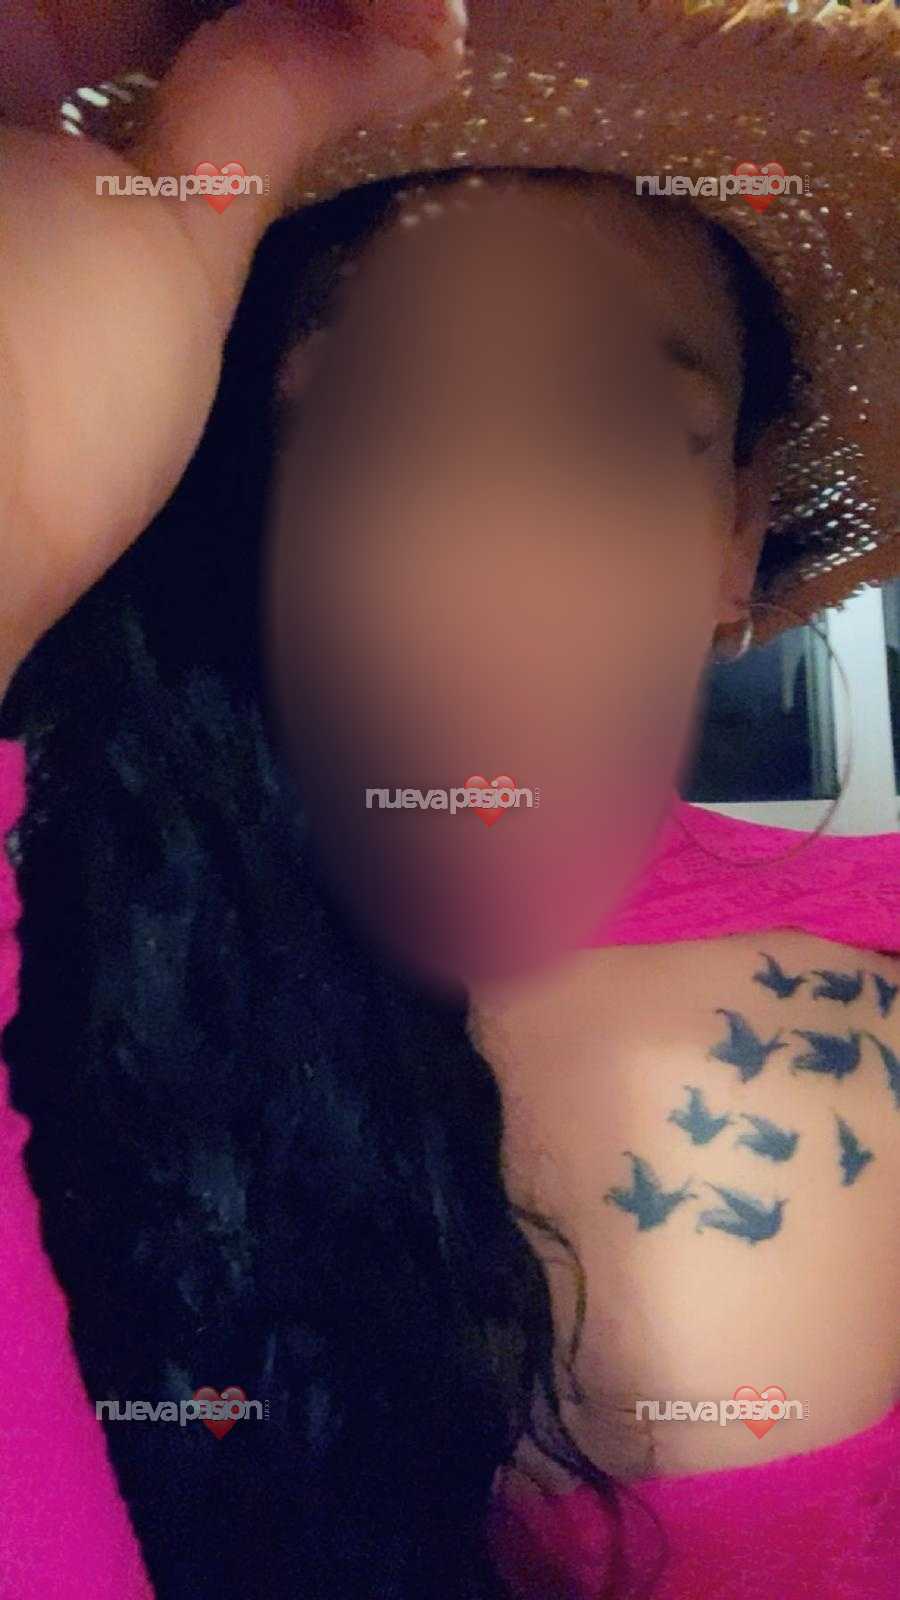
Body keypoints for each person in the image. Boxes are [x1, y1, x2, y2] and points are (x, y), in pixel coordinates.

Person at [0, 2, 897, 1598]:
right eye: (363, 426)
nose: (488, 604)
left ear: (738, 532)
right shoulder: (70, 947)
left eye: (618, 432)